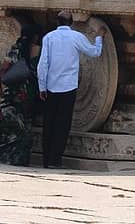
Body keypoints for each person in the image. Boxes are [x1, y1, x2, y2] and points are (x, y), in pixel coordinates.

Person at [37, 12, 104, 169]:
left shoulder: (49, 38)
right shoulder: (76, 37)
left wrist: (42, 86)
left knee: (49, 123)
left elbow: (43, 64)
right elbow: (95, 52)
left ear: (57, 21)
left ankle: (46, 159)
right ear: (71, 22)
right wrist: (99, 38)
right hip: (68, 87)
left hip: (50, 87)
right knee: (62, 124)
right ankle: (55, 159)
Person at [0, 24, 42, 166]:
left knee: (7, 125)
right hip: (28, 94)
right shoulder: (39, 51)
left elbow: (3, 68)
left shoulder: (16, 49)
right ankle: (19, 159)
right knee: (24, 128)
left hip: (13, 94)